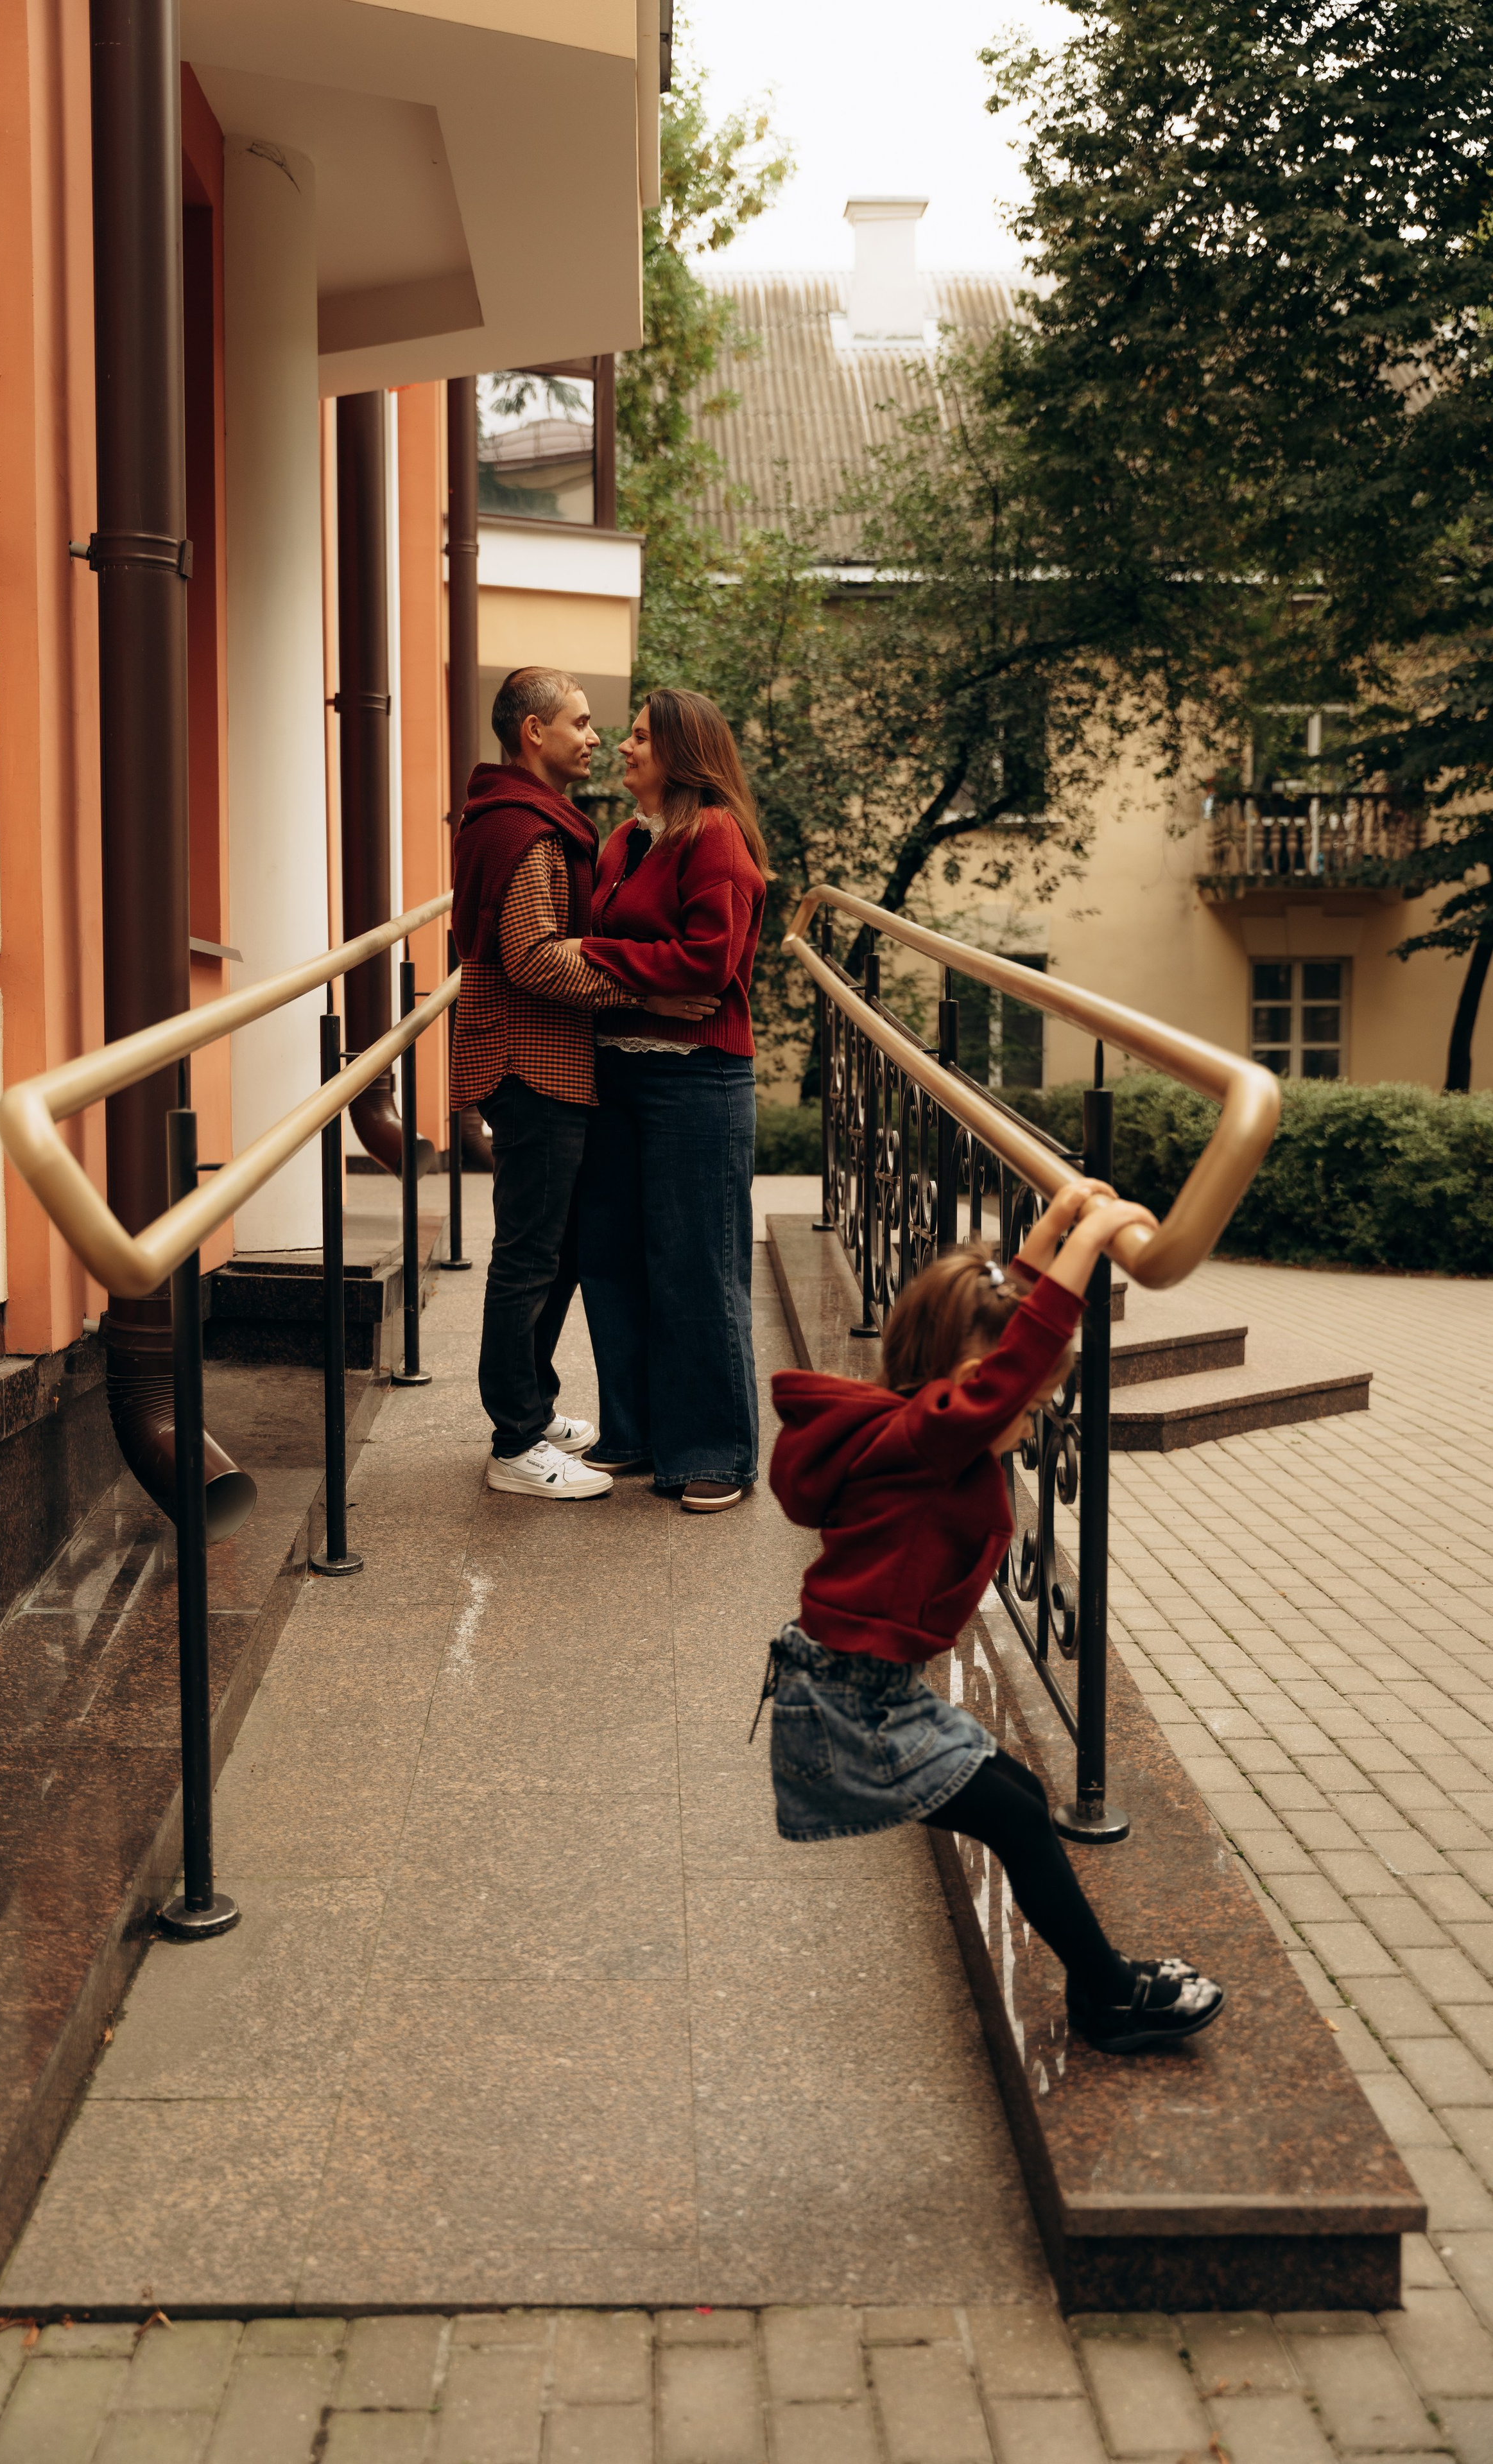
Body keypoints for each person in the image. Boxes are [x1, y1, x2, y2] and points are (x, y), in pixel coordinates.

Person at [764, 1186, 1227, 2054]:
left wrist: (1052, 1232)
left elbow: (1001, 1331)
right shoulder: (929, 1438)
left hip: (863, 1690)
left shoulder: (920, 1422)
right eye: (1029, 1404)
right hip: (851, 1708)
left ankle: (1105, 1984)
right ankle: (1112, 1995)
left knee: (1017, 1794)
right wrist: (1089, 1242)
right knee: (1017, 1817)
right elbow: (1012, 1360)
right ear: (976, 1390)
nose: (1031, 1414)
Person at [449, 667, 717, 1500]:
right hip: (530, 1064)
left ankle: (532, 1406)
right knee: (529, 1256)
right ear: (534, 733)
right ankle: (515, 1441)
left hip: (551, 1061)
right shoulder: (524, 831)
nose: (596, 737)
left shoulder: (534, 819)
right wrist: (645, 989)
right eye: (580, 722)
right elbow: (531, 957)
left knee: (555, 1251)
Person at [568, 690, 770, 1513]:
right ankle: (637, 1434)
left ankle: (713, 1451)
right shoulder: (623, 841)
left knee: (696, 1268)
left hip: (696, 1079)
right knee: (610, 1261)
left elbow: (707, 964)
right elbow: (633, 959)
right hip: (615, 1074)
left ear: (683, 753)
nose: (622, 747)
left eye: (642, 737)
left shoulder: (714, 834)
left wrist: (597, 957)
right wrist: (604, 958)